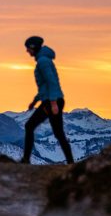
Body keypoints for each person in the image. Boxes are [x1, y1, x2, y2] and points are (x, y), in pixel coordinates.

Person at [22, 35, 74, 164]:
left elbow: (51, 82)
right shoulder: (44, 60)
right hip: (52, 100)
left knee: (30, 126)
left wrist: (53, 103)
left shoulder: (43, 62)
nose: (27, 51)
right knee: (58, 133)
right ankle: (71, 162)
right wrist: (35, 101)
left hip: (52, 101)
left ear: (33, 47)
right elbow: (44, 86)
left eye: (28, 48)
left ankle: (26, 160)